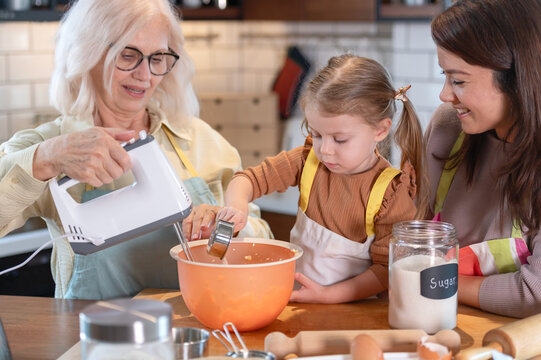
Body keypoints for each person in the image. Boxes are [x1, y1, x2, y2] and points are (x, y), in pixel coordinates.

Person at [0, 0, 271, 300]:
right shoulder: (54, 144)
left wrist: (226, 230)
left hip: (193, 335)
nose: (145, 75)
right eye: (128, 56)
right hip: (92, 341)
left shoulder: (200, 141)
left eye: (157, 58)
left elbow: (262, 241)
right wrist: (46, 158)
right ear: (87, 55)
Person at [215, 54, 427, 304]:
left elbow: (386, 269)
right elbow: (247, 179)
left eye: (339, 139)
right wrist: (237, 207)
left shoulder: (390, 193)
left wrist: (329, 296)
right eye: (316, 134)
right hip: (300, 301)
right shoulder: (308, 161)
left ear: (380, 130)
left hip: (356, 314)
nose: (325, 149)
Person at [427, 0, 541, 317]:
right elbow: (416, 235)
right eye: (444, 75)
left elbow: (535, 293)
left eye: (459, 80)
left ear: (516, 79)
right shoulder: (448, 128)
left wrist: (430, 281)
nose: (445, 94)